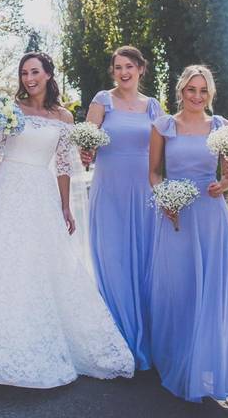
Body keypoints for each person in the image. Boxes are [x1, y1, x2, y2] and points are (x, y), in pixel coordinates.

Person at [0, 52, 135, 388]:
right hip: (6, 189)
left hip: (40, 191)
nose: (28, 78)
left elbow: (63, 165)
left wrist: (65, 207)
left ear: (48, 75)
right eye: (24, 73)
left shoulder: (63, 117)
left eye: (35, 72)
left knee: (38, 266)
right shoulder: (10, 108)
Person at [147, 65, 228, 403]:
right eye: (191, 90)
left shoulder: (221, 127)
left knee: (208, 287)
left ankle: (203, 362)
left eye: (203, 91)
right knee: (178, 285)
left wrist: (226, 182)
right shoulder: (163, 126)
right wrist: (164, 199)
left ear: (210, 94)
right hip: (176, 212)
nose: (197, 97)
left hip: (210, 213)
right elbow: (154, 173)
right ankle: (175, 358)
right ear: (181, 91)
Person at [81, 46, 162, 370]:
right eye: (118, 67)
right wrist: (86, 152)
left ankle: (146, 340)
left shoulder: (153, 106)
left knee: (144, 263)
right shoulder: (103, 100)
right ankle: (117, 341)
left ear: (141, 69)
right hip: (110, 190)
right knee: (113, 261)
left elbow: (166, 146)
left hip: (143, 192)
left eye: (129, 66)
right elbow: (87, 141)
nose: (123, 72)